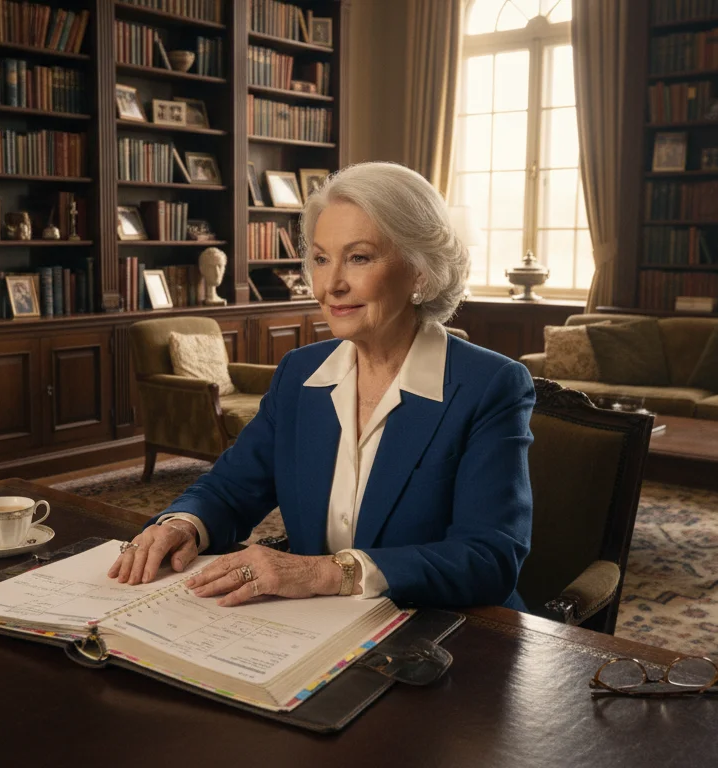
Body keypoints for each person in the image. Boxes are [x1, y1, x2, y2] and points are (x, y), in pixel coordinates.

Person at [108, 162, 535, 610]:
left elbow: (489, 558)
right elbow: (231, 488)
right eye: (320, 258)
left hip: (446, 637)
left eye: (359, 257)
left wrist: (328, 572)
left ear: (421, 272)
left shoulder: (491, 386)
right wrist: (184, 525)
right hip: (317, 627)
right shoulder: (299, 374)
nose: (331, 285)